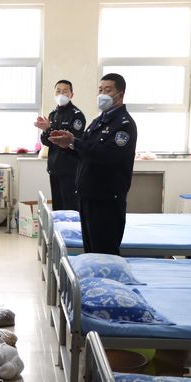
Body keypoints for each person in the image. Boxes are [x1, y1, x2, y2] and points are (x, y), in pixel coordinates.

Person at [48, 73, 137, 255]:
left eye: (108, 90)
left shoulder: (124, 124)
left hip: (106, 199)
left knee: (104, 252)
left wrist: (75, 142)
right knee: (91, 251)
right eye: (100, 90)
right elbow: (85, 152)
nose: (102, 94)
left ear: (120, 94)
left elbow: (107, 155)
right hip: (88, 196)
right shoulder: (99, 121)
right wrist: (68, 145)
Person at [34, 79, 85, 212]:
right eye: (58, 91)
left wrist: (49, 129)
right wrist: (45, 130)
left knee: (69, 209)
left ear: (71, 94)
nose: (61, 94)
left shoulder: (77, 116)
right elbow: (46, 141)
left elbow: (70, 142)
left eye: (65, 91)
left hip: (69, 169)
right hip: (54, 168)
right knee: (57, 208)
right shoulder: (53, 114)